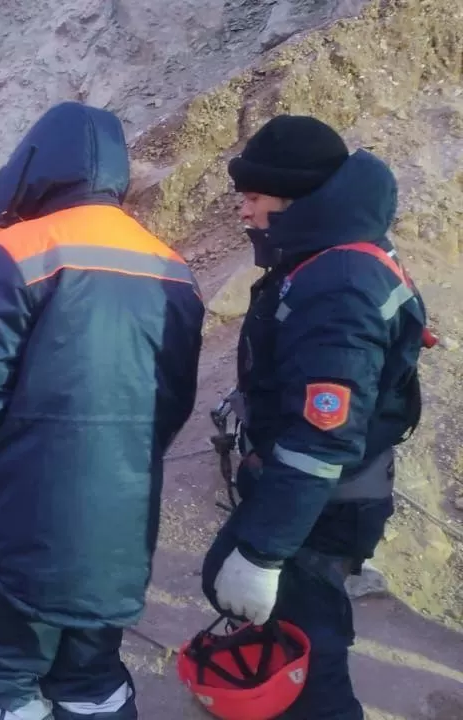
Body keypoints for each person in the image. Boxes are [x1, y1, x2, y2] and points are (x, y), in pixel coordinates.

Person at [0, 101, 205, 720]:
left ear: (37, 165)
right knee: (92, 678)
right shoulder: (173, 269)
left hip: (19, 533)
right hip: (119, 538)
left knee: (1, 680)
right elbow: (170, 407)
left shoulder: (14, 251)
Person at [201, 115, 429, 718]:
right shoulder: (328, 258)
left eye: (253, 198)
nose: (244, 212)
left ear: (293, 196)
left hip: (326, 503)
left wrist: (264, 554)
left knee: (309, 651)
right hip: (319, 495)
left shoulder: (339, 283)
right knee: (254, 598)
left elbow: (321, 439)